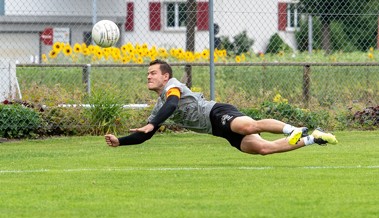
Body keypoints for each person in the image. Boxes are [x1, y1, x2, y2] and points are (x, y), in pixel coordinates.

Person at [105, 59, 338, 155]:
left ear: (165, 77)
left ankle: (292, 129)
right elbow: (145, 136)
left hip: (217, 112)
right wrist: (121, 141)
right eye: (147, 74)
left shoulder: (173, 88)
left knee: (249, 126)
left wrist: (152, 123)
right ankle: (312, 138)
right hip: (217, 130)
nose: (148, 77)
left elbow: (173, 103)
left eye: (153, 73)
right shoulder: (158, 108)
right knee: (264, 149)